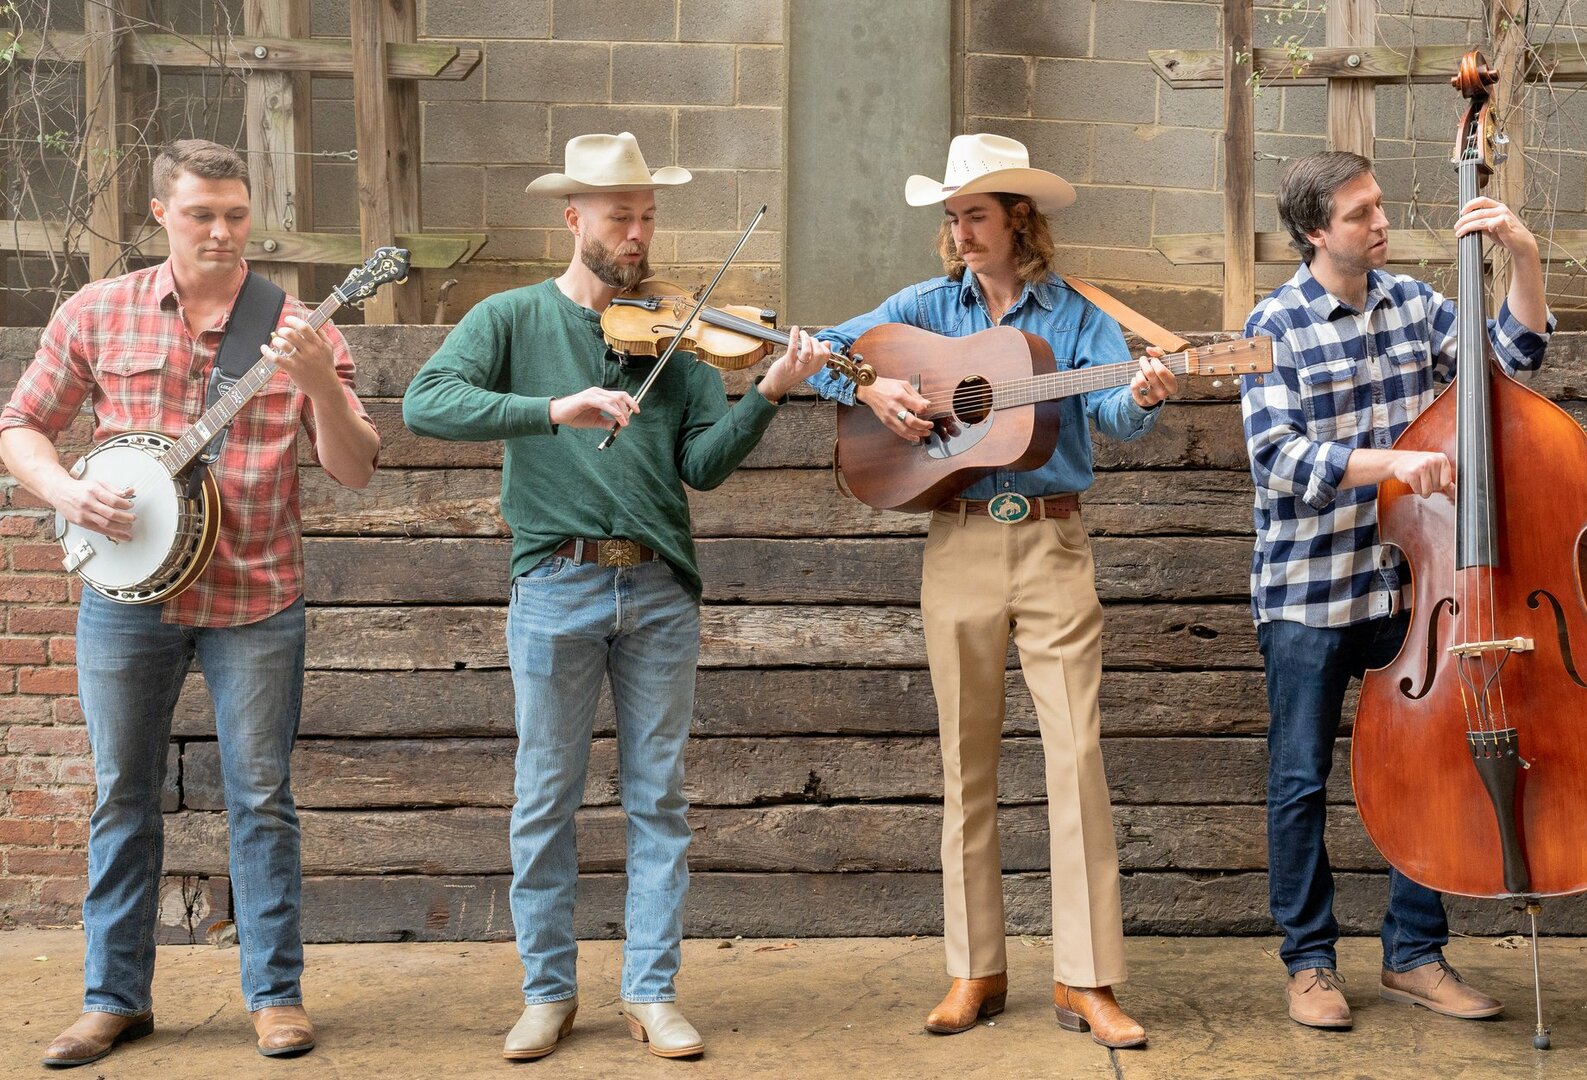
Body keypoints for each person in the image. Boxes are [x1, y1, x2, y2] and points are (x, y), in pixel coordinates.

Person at [402, 132, 828, 1062]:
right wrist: (552, 408)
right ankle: (547, 994)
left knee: (658, 801)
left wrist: (770, 391)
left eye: (646, 217)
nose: (636, 234)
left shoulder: (681, 335)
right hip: (555, 585)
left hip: (661, 590)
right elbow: (425, 403)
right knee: (544, 800)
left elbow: (701, 467)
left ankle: (652, 991)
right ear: (574, 219)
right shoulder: (512, 318)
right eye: (618, 217)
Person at [2, 139, 380, 1066]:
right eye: (201, 213)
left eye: (236, 215)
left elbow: (355, 467)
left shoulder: (298, 327)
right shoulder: (99, 310)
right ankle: (114, 999)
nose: (221, 231)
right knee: (121, 795)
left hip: (256, 594)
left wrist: (319, 384)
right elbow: (20, 426)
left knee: (261, 798)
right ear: (160, 214)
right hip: (125, 595)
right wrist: (65, 493)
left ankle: (275, 997)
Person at [803, 133, 1177, 1049]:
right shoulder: (924, 307)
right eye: (951, 217)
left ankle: (1086, 979)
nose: (959, 232)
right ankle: (975, 969)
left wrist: (1146, 393)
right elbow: (820, 354)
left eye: (974, 215)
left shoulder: (1079, 314)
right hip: (959, 539)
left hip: (1052, 540)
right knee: (965, 763)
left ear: (1019, 219)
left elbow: (1113, 416)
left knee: (1075, 758)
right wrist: (876, 391)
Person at [1239, 150, 1552, 1030]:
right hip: (1309, 592)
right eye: (1359, 214)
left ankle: (1414, 954)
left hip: (1410, 589)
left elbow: (1511, 360)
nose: (1381, 224)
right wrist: (1393, 465)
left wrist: (1523, 255)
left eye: (1378, 206)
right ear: (1314, 231)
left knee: (1429, 768)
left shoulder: (1415, 303)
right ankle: (1309, 964)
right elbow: (1277, 459)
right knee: (1299, 781)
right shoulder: (1273, 324)